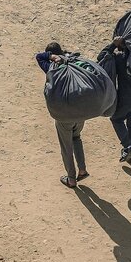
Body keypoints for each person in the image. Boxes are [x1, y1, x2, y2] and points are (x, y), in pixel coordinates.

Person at [35, 42, 89, 189]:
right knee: (76, 138)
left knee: (66, 147)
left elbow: (39, 57)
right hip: (81, 112)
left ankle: (71, 179)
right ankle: (82, 170)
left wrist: (51, 57)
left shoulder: (51, 68)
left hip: (64, 115)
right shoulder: (73, 64)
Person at [97, 36, 131, 163]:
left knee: (116, 119)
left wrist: (113, 44)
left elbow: (102, 56)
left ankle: (128, 147)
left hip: (126, 98)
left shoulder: (119, 59)